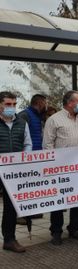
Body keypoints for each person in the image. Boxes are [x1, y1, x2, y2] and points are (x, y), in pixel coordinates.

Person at [43, 90, 78, 245]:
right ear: (71, 103)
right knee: (59, 200)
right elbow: (47, 145)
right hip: (60, 168)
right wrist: (52, 166)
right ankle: (56, 232)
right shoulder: (54, 120)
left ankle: (74, 228)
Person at [0, 91, 32, 252]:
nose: (11, 107)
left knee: (11, 206)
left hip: (13, 172)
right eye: (7, 104)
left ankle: (9, 239)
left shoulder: (22, 122)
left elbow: (27, 144)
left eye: (14, 104)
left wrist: (23, 160)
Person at [16, 94, 47, 222]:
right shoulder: (25, 115)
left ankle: (31, 211)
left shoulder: (38, 116)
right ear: (39, 103)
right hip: (27, 156)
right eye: (45, 102)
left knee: (33, 186)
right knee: (24, 186)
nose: (46, 105)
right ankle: (20, 215)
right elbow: (20, 136)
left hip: (37, 156)